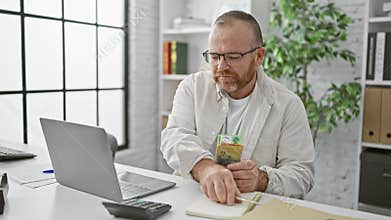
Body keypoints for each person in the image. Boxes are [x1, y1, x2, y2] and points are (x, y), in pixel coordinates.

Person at [160, 10, 314, 205]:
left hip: (251, 209)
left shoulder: (288, 105)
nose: (221, 66)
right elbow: (173, 136)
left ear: (259, 56)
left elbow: (302, 175)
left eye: (233, 56)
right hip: (192, 200)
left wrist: (262, 180)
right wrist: (205, 168)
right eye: (215, 56)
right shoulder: (192, 87)